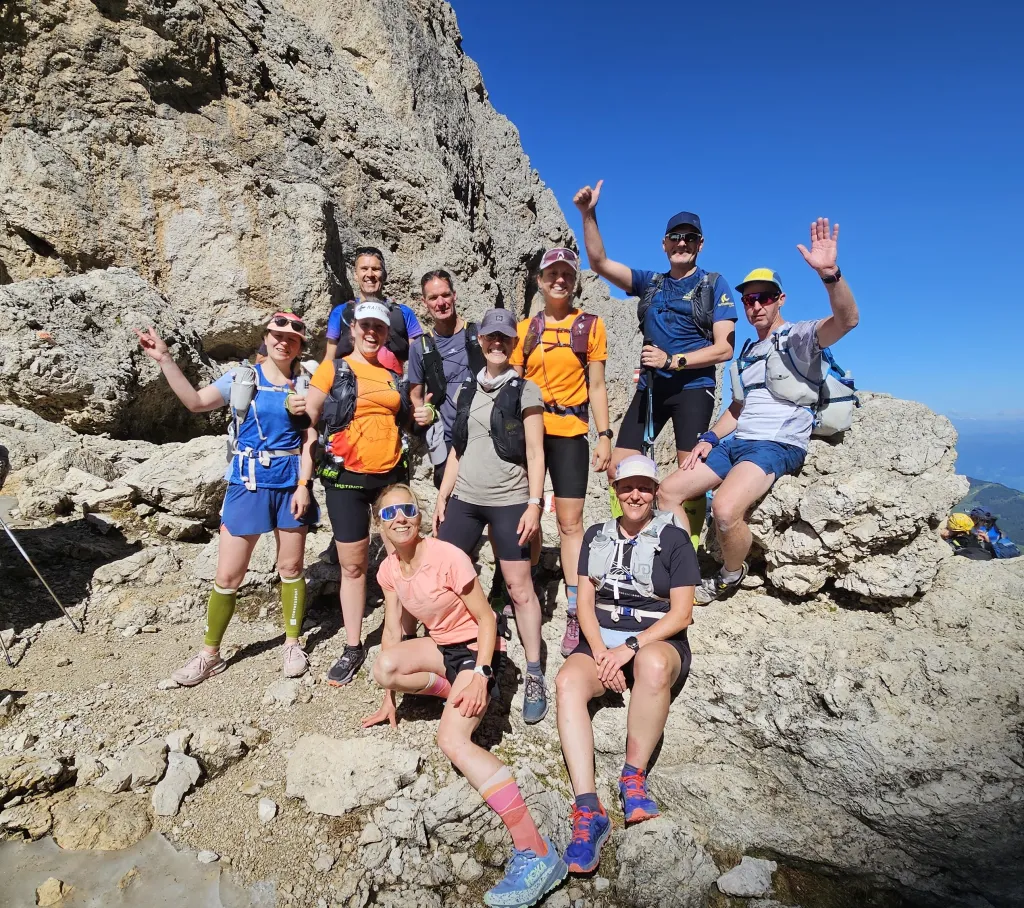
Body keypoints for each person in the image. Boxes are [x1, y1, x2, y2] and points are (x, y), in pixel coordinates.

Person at [362, 484, 568, 908]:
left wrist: (479, 675)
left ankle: (536, 851)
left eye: (407, 510)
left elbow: (487, 618)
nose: (400, 518)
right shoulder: (389, 569)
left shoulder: (447, 557)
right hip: (443, 649)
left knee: (452, 741)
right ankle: (447, 692)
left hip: (479, 651)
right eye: (389, 513)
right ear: (378, 524)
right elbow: (392, 628)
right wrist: (389, 697)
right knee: (384, 667)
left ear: (419, 516)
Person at [659, 218, 860, 603]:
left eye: (764, 297)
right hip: (737, 443)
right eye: (749, 299)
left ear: (780, 299)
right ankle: (685, 571)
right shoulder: (749, 351)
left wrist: (830, 274)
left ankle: (730, 574)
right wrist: (710, 437)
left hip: (776, 445)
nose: (755, 305)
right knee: (668, 492)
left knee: (725, 510)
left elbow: (847, 320)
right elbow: (738, 406)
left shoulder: (799, 338)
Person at [136, 313, 318, 685]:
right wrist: (165, 359)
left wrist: (304, 485)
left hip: (290, 482)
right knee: (228, 574)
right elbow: (196, 402)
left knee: (291, 568)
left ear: (300, 346)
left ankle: (292, 643)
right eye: (277, 335)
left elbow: (310, 438)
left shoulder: (305, 383)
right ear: (266, 337)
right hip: (247, 482)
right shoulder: (241, 378)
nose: (283, 342)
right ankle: (210, 654)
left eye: (292, 339)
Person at [574, 180, 737, 547]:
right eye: (675, 237)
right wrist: (588, 214)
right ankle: (628, 541)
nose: (682, 243)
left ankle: (685, 552)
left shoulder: (714, 284)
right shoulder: (651, 283)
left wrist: (673, 360)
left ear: (700, 244)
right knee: (617, 468)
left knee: (689, 476)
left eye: (690, 238)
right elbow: (599, 263)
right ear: (664, 244)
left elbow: (724, 349)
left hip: (692, 389)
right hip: (650, 389)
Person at [554, 455, 696, 873]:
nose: (636, 495)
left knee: (652, 667)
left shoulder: (674, 539)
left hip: (655, 639)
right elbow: (584, 602)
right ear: (615, 492)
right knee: (567, 683)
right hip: (602, 639)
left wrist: (629, 648)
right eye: (627, 487)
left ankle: (633, 778)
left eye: (645, 488)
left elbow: (681, 614)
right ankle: (588, 808)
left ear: (655, 493)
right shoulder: (596, 535)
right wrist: (602, 653)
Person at [434, 307, 550, 724]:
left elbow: (535, 451)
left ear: (514, 343)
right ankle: (458, 653)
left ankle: (534, 671)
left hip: (510, 499)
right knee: (444, 577)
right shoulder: (468, 388)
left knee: (520, 588)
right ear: (480, 341)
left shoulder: (526, 390)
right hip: (465, 497)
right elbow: (457, 448)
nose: (497, 343)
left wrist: (535, 504)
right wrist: (443, 496)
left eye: (505, 338)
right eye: (491, 337)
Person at [509, 248, 612, 657]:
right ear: (540, 280)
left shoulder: (590, 326)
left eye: (566, 274)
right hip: (531, 433)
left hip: (571, 432)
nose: (559, 280)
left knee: (570, 524)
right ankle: (525, 586)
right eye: (552, 273)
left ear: (574, 280)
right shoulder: (524, 329)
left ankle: (574, 607)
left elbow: (597, 385)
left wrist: (604, 435)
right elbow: (514, 387)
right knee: (526, 513)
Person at [302, 301, 409, 686]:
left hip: (390, 478)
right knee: (353, 566)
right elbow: (309, 421)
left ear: (386, 333)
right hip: (346, 479)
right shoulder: (333, 368)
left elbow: (403, 418)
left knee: (401, 558)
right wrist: (302, 482)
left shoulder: (392, 373)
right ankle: (352, 645)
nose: (371, 333)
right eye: (365, 326)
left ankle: (400, 632)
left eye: (378, 327)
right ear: (353, 329)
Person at [408, 270, 485, 489]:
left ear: (454, 295)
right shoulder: (420, 348)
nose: (440, 303)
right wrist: (424, 413)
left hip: (485, 435)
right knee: (449, 503)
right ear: (424, 302)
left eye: (445, 295)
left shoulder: (481, 333)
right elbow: (415, 395)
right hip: (447, 439)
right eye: (433, 298)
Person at [324, 246, 424, 373]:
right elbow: (329, 357)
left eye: (376, 269)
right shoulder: (340, 313)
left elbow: (418, 357)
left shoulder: (403, 313)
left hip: (392, 383)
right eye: (364, 269)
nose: (370, 274)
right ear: (355, 275)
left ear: (384, 274)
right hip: (349, 383)